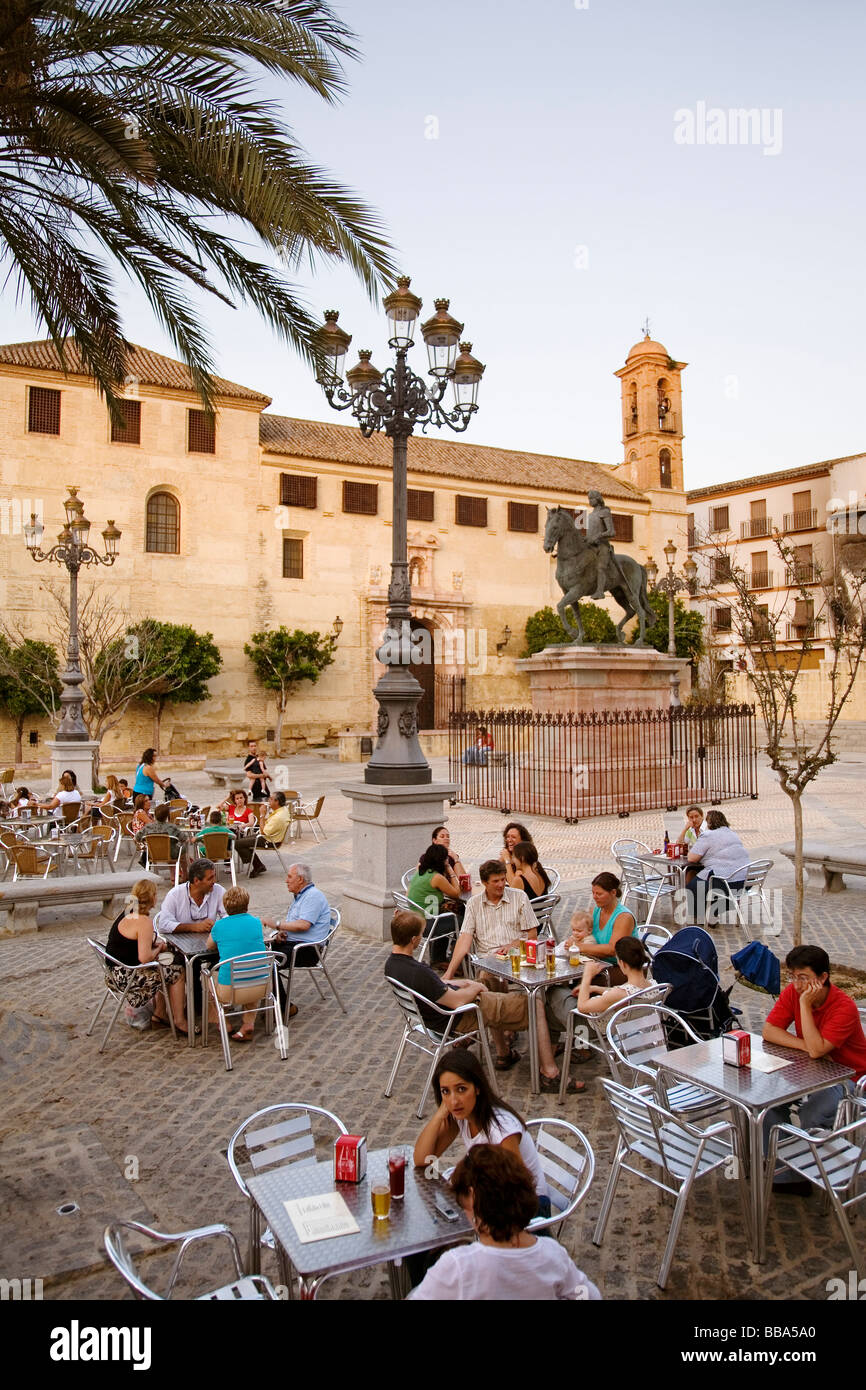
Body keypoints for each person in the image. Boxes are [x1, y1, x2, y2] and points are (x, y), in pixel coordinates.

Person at [386, 909, 574, 1084]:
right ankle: (550, 1073)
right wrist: (474, 988)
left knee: (493, 983)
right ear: (413, 940)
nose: (421, 938)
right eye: (420, 934)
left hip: (436, 1015)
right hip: (457, 1016)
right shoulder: (418, 972)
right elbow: (457, 1000)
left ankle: (504, 1053)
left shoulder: (392, 965)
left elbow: (437, 988)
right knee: (535, 1004)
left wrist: (464, 983)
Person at [443, 864, 579, 1091]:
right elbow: (465, 939)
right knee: (486, 986)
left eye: (502, 879)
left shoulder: (518, 897)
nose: (501, 885)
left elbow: (532, 935)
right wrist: (449, 972)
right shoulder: (475, 904)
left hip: (518, 958)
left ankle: (537, 1064)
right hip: (489, 962)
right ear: (484, 883)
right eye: (495, 881)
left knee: (533, 998)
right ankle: (505, 1054)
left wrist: (512, 945)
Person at [408, 1145, 600, 1301]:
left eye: (462, 1204)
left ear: (473, 1198)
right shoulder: (552, 1254)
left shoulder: (458, 1266)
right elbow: (589, 1295)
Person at [762, 944, 866, 1194]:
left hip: (850, 1078)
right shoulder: (792, 993)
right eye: (793, 976)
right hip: (811, 1070)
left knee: (813, 1115)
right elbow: (769, 1031)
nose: (797, 985)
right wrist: (805, 1046)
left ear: (822, 978)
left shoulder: (844, 1007)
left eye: (803, 978)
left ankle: (822, 1172)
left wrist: (805, 1006)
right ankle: (787, 1176)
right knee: (767, 1104)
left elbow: (818, 1050)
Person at [413, 1049, 551, 1213]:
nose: (454, 1100)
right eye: (446, 1091)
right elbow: (423, 1159)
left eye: (461, 1089)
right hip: (496, 1199)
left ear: (477, 1088)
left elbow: (518, 1189)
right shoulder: (462, 1116)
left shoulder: (501, 1129)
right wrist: (439, 1115)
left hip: (529, 1209)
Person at [105, 878, 188, 1034]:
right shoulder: (143, 921)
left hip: (113, 972)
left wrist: (153, 946)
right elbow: (145, 958)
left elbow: (133, 941)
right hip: (127, 977)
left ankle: (160, 1014)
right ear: (152, 897)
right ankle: (179, 1020)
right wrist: (159, 948)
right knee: (177, 971)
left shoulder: (126, 912)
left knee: (167, 966)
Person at [262, 863, 332, 1020]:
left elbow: (303, 925)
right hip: (293, 943)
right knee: (258, 951)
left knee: (267, 961)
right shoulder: (301, 896)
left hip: (307, 950)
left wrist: (277, 924)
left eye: (289, 877)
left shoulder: (313, 896)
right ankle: (265, 1000)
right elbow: (296, 924)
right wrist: (281, 933)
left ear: (300, 879)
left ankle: (284, 1007)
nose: (286, 881)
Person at [205, 885, 268, 1041]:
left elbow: (209, 946)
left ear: (225, 906)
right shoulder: (256, 922)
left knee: (205, 976)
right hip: (262, 987)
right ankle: (248, 1023)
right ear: (247, 904)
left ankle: (223, 1021)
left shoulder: (219, 925)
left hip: (229, 992)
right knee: (252, 971)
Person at [570, 874, 637, 978]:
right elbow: (584, 935)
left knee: (577, 983)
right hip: (598, 964)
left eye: (599, 894)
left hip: (622, 969)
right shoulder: (594, 911)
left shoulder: (623, 917)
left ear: (613, 892)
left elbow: (612, 950)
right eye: (593, 893)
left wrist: (578, 946)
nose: (594, 897)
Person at [686, 809, 748, 921]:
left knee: (693, 885)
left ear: (709, 823)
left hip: (727, 883)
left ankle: (704, 916)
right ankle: (711, 913)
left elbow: (691, 858)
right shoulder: (733, 834)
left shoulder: (708, 835)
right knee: (705, 880)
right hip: (745, 883)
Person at [159, 858, 226, 935]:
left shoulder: (219, 890)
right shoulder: (174, 895)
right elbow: (163, 925)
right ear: (196, 881)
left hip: (210, 941)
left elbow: (228, 916)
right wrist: (194, 927)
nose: (214, 881)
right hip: (181, 942)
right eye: (210, 878)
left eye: (214, 876)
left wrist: (218, 925)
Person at [216, 790, 266, 876]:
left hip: (241, 833)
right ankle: (223, 859)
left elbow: (251, 822)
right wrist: (228, 797)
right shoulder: (231, 808)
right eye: (237, 798)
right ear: (234, 800)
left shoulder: (248, 811)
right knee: (225, 835)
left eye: (241, 798)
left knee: (227, 835)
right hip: (229, 831)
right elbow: (218, 807)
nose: (239, 800)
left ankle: (227, 863)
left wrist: (242, 825)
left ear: (244, 799)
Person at [135, 802, 186, 873]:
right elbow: (184, 838)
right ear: (167, 816)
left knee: (173, 848)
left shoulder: (148, 827)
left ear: (155, 815)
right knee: (182, 850)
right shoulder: (171, 827)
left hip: (152, 853)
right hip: (171, 853)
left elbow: (137, 837)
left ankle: (173, 876)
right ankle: (184, 875)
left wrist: (145, 840)